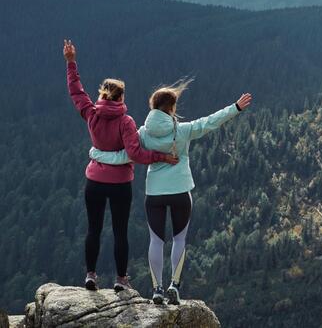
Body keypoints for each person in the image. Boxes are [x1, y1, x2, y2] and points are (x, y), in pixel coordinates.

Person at [90, 80, 252, 305]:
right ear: (172, 108)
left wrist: (98, 155)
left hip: (155, 192)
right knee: (179, 239)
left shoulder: (142, 134)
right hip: (180, 190)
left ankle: (156, 289)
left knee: (156, 241)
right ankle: (174, 285)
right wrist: (236, 107)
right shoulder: (182, 131)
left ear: (152, 106)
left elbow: (126, 156)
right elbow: (210, 122)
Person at [63, 39, 179, 292]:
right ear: (121, 97)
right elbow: (136, 153)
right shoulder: (126, 122)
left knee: (93, 229)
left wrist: (71, 62)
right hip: (119, 185)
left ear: (102, 94)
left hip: (94, 181)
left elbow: (76, 91)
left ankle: (90, 275)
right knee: (120, 232)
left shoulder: (92, 113)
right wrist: (162, 157)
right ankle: (120, 279)